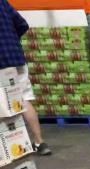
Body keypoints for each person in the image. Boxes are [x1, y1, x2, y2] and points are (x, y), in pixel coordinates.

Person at [0, 0, 51, 155]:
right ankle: (39, 143)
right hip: (16, 57)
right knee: (23, 99)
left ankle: (10, 149)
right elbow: (22, 24)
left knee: (3, 105)